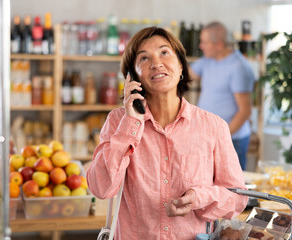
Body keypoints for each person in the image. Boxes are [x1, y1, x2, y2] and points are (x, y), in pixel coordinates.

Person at [87, 27, 248, 240]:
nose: (156, 63)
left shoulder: (213, 126)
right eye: (144, 58)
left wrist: (199, 197)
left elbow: (237, 198)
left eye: (164, 53)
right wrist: (130, 123)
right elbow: (101, 188)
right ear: (133, 77)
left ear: (181, 66)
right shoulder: (118, 121)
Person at [190, 21, 255, 170]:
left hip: (231, 140)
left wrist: (220, 138)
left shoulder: (239, 67)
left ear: (219, 45)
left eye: (204, 42)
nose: (201, 46)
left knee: (231, 190)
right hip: (207, 138)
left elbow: (245, 111)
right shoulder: (208, 60)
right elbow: (187, 74)